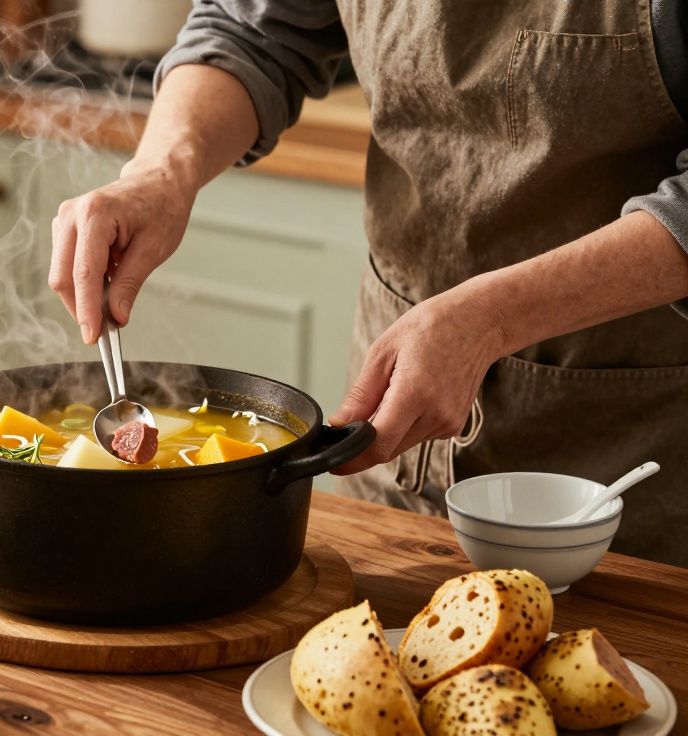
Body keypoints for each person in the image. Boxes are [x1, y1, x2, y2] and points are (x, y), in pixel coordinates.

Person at [48, 0, 688, 567]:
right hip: (392, 453)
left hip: (627, 468)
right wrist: (162, 169)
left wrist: (492, 318)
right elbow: (253, 31)